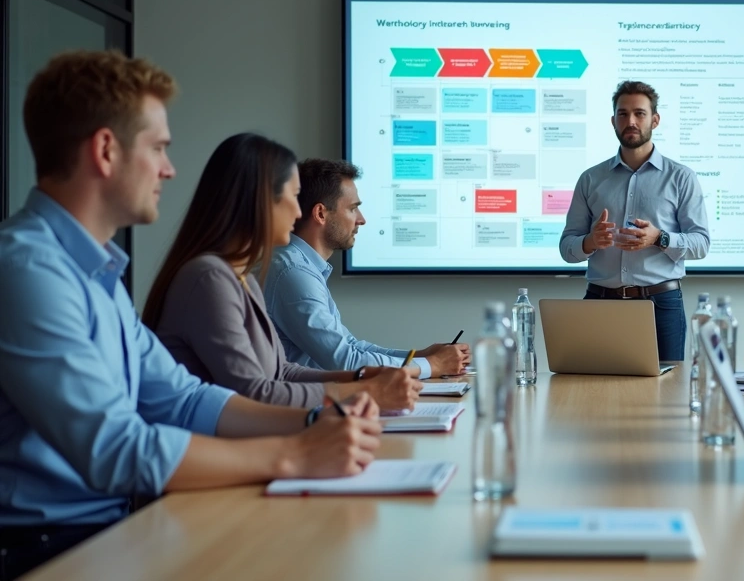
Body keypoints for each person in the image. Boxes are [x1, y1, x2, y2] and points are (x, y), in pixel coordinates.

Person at [0, 50, 382, 580]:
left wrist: (318, 422)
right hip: (49, 551)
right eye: (158, 148)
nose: (169, 169)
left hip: (112, 529)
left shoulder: (93, 271)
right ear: (106, 151)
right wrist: (294, 454)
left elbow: (181, 398)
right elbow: (114, 449)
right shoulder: (29, 272)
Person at [144, 134, 425, 409]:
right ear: (260, 203)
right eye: (293, 196)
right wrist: (362, 390)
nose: (298, 210)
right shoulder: (210, 278)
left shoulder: (241, 278)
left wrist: (359, 377)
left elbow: (282, 372)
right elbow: (254, 393)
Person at [261, 159, 469, 379]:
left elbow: (351, 347)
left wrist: (419, 357)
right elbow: (345, 360)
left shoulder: (301, 266)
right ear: (321, 214)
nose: (362, 220)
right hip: (301, 406)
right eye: (353, 209)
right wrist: (430, 365)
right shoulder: (293, 272)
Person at [559, 80, 711, 361]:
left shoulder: (681, 177)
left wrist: (660, 238)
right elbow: (567, 246)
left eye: (639, 113)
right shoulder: (591, 178)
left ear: (655, 119)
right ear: (613, 121)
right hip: (599, 303)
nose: (630, 121)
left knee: (665, 394)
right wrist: (590, 242)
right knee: (593, 392)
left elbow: (701, 244)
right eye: (623, 113)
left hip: (661, 304)